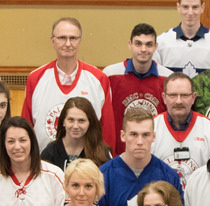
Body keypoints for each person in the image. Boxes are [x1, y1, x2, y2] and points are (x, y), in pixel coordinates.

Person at [23, 16, 107, 144]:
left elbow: (107, 129)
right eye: (62, 38)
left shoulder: (98, 79)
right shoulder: (35, 78)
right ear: (52, 41)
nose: (68, 44)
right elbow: (26, 126)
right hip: (43, 156)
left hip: (88, 156)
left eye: (73, 38)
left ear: (80, 41)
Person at [101, 111, 183, 206]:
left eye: (145, 135)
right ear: (123, 136)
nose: (139, 141)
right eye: (134, 134)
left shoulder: (170, 177)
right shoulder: (103, 176)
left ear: (153, 137)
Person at [103, 23, 167, 147]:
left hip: (155, 152)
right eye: (138, 44)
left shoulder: (168, 78)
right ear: (130, 44)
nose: (143, 49)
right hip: (119, 152)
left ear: (155, 47)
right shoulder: (110, 74)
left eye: (149, 44)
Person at [152, 71, 210, 178]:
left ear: (193, 98)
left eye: (184, 95)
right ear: (164, 98)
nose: (178, 101)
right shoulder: (151, 127)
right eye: (173, 95)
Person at [156, 0, 210, 77]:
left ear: (202, 8)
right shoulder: (161, 42)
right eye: (185, 7)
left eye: (195, 7)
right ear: (178, 7)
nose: (190, 12)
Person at [40, 95, 110, 170]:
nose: (75, 126)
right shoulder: (49, 153)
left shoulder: (102, 154)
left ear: (90, 123)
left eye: (81, 121)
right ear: (63, 121)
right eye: (71, 120)